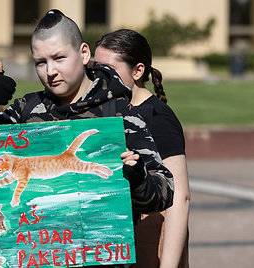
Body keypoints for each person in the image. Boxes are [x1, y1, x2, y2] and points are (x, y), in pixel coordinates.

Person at [0, 9, 174, 221]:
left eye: (59, 58)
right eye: (41, 62)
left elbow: (165, 192)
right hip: (38, 247)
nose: (50, 71)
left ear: (84, 53)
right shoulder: (25, 110)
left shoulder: (120, 113)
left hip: (101, 249)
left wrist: (139, 179)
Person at [94, 29, 189, 268]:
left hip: (148, 244)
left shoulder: (157, 117)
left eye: (108, 70)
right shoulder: (107, 110)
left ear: (138, 71)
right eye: (95, 69)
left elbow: (180, 198)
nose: (98, 77)